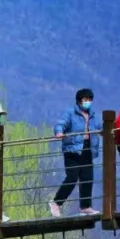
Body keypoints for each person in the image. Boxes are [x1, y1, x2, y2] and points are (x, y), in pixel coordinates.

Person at [48, 89, 101, 217]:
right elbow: (60, 124)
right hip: (73, 149)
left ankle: (85, 206)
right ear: (79, 100)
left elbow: (99, 127)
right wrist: (59, 132)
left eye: (89, 99)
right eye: (85, 99)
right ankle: (56, 203)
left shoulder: (93, 115)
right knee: (72, 177)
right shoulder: (70, 113)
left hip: (88, 149)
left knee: (87, 178)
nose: (87, 102)